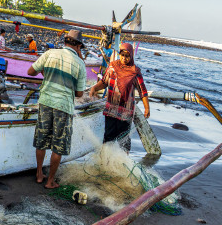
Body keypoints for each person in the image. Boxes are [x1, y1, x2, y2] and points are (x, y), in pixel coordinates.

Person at [27, 29, 87, 188]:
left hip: (46, 102)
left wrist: (47, 73)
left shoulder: (50, 53)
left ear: (65, 42)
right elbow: (79, 93)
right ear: (79, 46)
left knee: (41, 140)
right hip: (64, 106)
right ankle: (50, 181)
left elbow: (31, 71)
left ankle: (39, 174)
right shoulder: (80, 63)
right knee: (58, 145)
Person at [89, 42, 149, 148]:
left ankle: (122, 161)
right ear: (119, 54)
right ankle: (105, 161)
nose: (124, 58)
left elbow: (142, 91)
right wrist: (94, 88)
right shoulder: (112, 66)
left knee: (123, 140)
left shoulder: (135, 71)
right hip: (111, 109)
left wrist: (146, 108)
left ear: (131, 56)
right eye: (122, 55)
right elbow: (104, 82)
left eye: (127, 56)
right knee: (108, 138)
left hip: (126, 112)